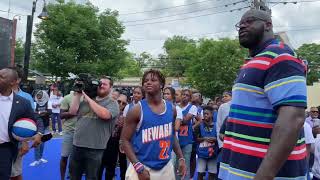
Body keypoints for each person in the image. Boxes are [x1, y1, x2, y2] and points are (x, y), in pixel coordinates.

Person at [219, 9, 308, 179]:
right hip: (239, 171)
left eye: (249, 21)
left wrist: (264, 176)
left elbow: (293, 119)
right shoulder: (254, 62)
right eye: (240, 24)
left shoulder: (281, 57)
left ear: (268, 25)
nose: (242, 26)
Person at [120, 69, 186, 180]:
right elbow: (124, 140)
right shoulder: (136, 110)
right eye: (145, 81)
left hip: (165, 166)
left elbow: (172, 136)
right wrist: (138, 167)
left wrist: (181, 158)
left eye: (153, 80)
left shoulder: (172, 109)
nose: (148, 82)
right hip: (142, 166)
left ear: (161, 85)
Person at [69, 76, 119, 180]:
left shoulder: (113, 103)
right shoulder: (85, 100)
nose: (101, 85)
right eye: (100, 83)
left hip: (96, 148)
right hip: (77, 144)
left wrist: (86, 96)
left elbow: (104, 114)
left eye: (105, 84)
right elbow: (73, 112)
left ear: (111, 88)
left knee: (92, 177)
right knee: (74, 176)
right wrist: (78, 93)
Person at [0, 67, 43, 180]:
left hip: (5, 149)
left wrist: (38, 133)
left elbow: (35, 119)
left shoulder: (22, 102)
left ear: (13, 82)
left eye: (1, 77)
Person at [9, 67, 35, 180]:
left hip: (16, 142)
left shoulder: (26, 98)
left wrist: (25, 142)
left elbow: (29, 121)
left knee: (14, 173)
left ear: (17, 80)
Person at [99, 93, 128, 180]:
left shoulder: (126, 115)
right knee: (99, 166)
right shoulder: (106, 110)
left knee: (111, 168)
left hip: (116, 142)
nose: (121, 104)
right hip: (103, 141)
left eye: (124, 103)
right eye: (119, 101)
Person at [59, 91, 83, 180]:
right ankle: (62, 178)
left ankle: (73, 175)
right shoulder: (67, 98)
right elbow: (61, 115)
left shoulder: (87, 97)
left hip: (82, 132)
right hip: (69, 131)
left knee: (78, 158)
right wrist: (73, 113)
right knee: (64, 156)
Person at [176, 89, 198, 180]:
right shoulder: (175, 106)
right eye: (183, 94)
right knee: (175, 165)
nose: (185, 96)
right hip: (175, 140)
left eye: (187, 95)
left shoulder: (193, 107)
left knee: (186, 164)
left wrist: (177, 119)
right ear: (180, 96)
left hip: (187, 141)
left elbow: (185, 120)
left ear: (190, 98)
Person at [195, 106, 218, 180]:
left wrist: (215, 139)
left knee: (212, 173)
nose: (205, 115)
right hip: (202, 153)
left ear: (212, 114)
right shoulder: (199, 126)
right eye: (204, 114)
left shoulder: (217, 125)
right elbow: (196, 139)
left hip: (213, 153)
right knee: (200, 172)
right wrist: (204, 139)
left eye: (207, 114)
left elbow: (221, 138)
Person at [29, 90, 51, 166]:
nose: (38, 97)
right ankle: (36, 159)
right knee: (37, 141)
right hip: (37, 125)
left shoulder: (48, 102)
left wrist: (40, 113)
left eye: (40, 95)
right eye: (37, 96)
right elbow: (34, 113)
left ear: (43, 95)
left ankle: (40, 157)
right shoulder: (35, 103)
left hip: (45, 124)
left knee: (43, 142)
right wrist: (41, 113)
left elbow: (50, 112)